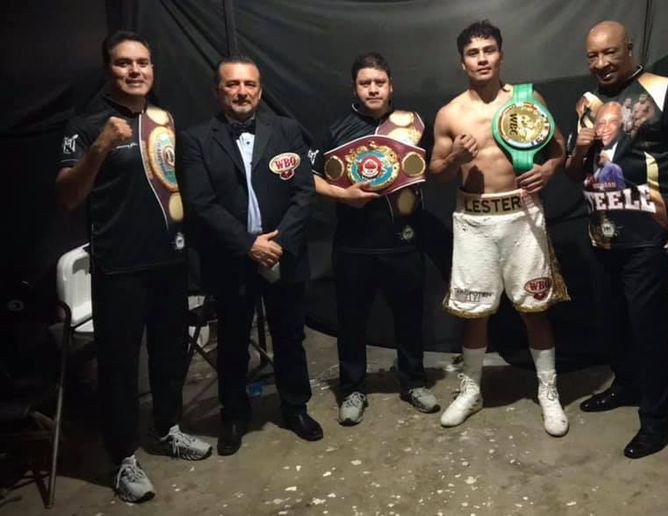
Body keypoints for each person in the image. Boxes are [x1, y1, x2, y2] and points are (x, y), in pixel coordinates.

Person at [56, 31, 211, 503]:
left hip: (169, 259)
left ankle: (168, 428)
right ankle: (123, 456)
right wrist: (100, 147)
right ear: (109, 70)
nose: (135, 70)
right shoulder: (86, 126)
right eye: (124, 63)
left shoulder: (165, 119)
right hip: (119, 266)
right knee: (121, 368)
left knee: (168, 355)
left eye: (143, 62)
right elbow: (65, 197)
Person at [429, 20, 570, 437]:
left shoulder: (526, 100)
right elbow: (435, 173)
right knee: (474, 311)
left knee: (536, 307)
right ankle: (471, 390)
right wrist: (454, 156)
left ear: (501, 54)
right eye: (473, 53)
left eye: (489, 50)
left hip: (523, 215)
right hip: (474, 219)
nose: (482, 58)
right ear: (462, 62)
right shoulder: (450, 113)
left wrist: (547, 169)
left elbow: (558, 147)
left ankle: (548, 391)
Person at [178, 56, 322, 456]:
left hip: (283, 254)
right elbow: (200, 203)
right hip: (231, 258)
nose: (242, 92)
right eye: (232, 85)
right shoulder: (195, 139)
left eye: (250, 85)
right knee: (233, 342)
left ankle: (296, 407)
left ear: (260, 89)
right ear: (218, 90)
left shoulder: (288, 130)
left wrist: (278, 242)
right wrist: (248, 244)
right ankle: (235, 415)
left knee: (290, 336)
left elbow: (305, 192)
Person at [566, 20, 668, 458]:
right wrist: (580, 148)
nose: (601, 63)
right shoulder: (585, 102)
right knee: (613, 323)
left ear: (629, 49)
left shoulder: (663, 90)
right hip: (600, 232)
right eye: (592, 56)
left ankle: (659, 418)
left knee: (649, 329)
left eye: (609, 53)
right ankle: (625, 385)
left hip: (649, 235)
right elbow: (571, 172)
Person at [309, 52, 439, 425]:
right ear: (355, 87)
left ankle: (414, 380)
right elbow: (309, 174)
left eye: (379, 83)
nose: (373, 89)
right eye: (365, 83)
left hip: (404, 240)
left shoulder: (413, 126)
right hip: (354, 245)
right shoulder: (337, 130)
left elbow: (436, 164)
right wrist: (342, 195)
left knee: (410, 318)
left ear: (390, 86)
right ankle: (351, 390)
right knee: (351, 321)